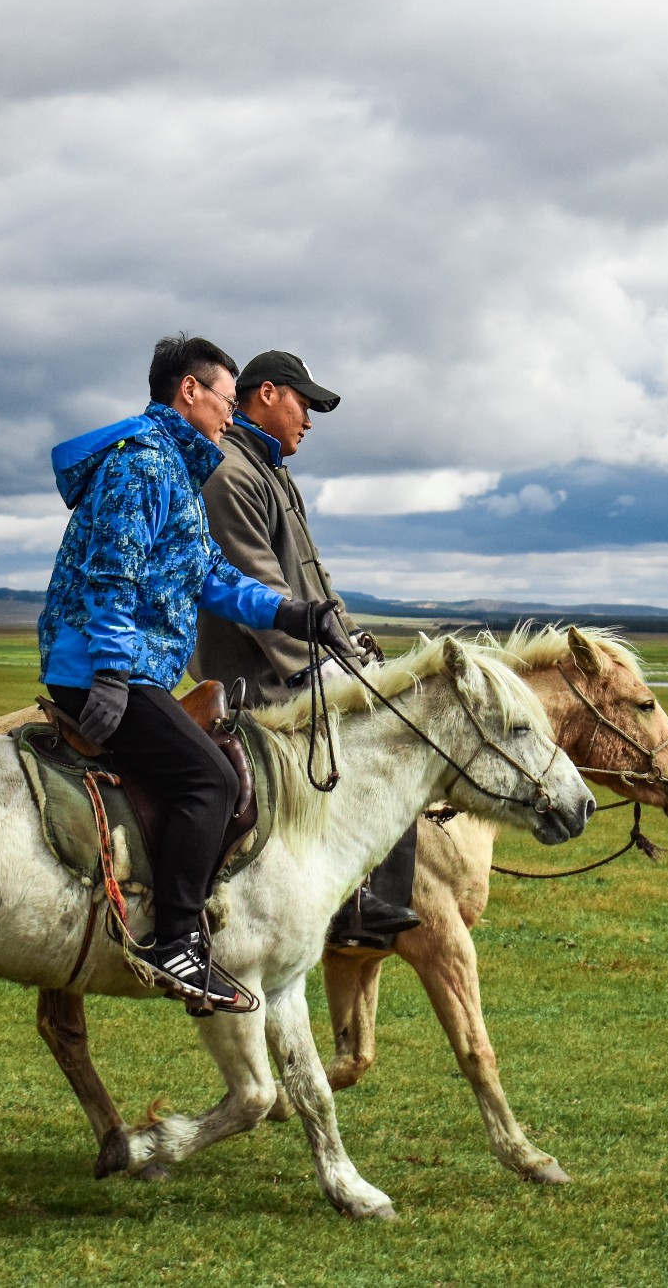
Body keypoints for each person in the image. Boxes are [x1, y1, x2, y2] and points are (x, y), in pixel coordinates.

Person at [37, 334, 342, 1012]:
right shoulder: (143, 463)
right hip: (101, 666)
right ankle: (173, 939)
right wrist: (113, 676)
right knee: (211, 777)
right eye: (227, 401)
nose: (231, 417)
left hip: (127, 666)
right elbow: (112, 571)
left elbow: (207, 575)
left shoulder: (175, 467)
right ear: (190, 391)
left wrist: (295, 614)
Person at [190, 350, 422, 949]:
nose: (311, 420)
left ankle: (375, 901)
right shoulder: (229, 473)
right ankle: (356, 906)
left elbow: (313, 584)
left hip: (296, 655)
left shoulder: (269, 470)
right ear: (267, 393)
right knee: (391, 735)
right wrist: (324, 667)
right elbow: (259, 585)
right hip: (258, 674)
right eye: (305, 404)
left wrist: (356, 650)